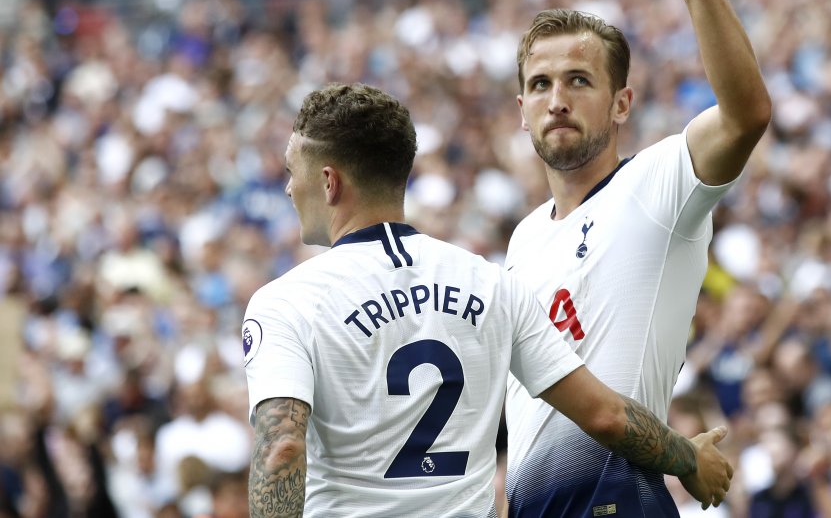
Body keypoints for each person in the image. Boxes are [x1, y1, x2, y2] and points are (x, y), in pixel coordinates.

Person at [242, 83, 733, 517]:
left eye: (292, 171)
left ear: (330, 183)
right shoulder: (490, 282)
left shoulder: (287, 302)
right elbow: (605, 414)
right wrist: (688, 458)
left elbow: (282, 448)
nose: (288, 187)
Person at [504, 0, 772, 516]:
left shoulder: (655, 184)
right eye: (539, 85)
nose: (557, 99)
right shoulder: (522, 239)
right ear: (521, 112)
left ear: (622, 104)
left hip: (618, 500)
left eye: (579, 80)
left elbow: (746, 114)